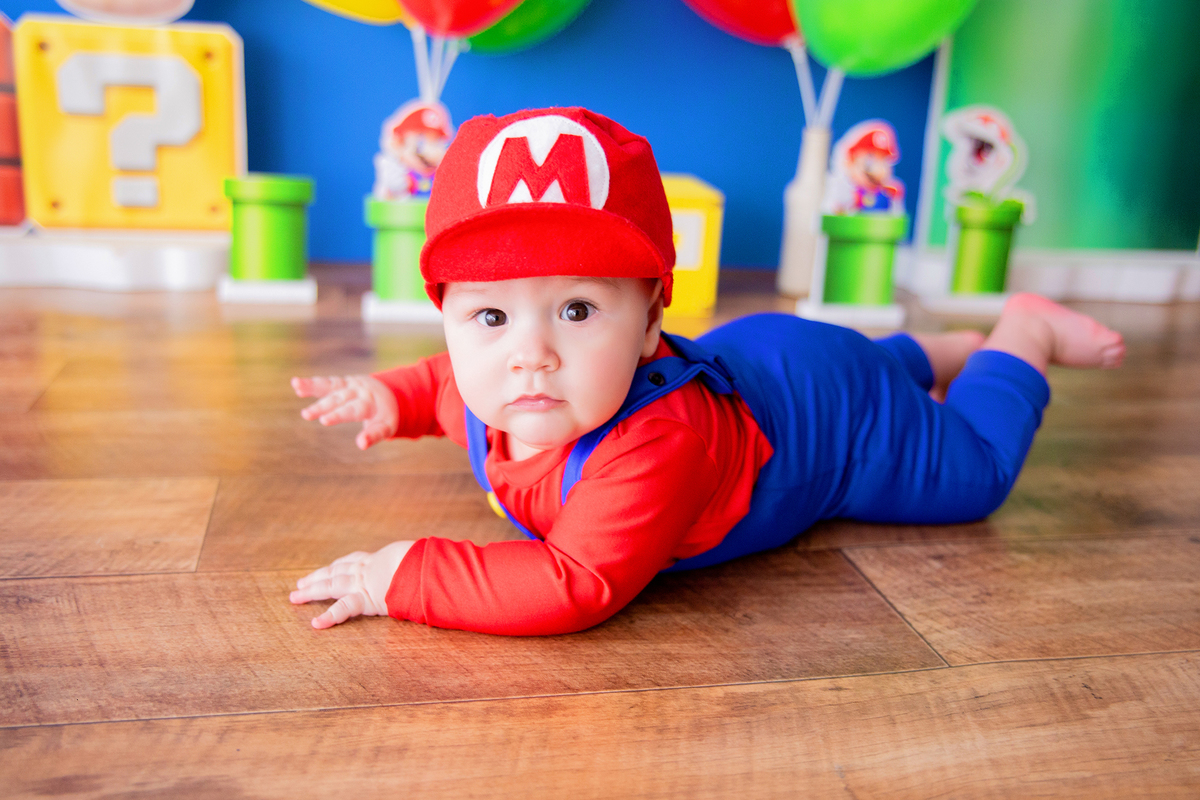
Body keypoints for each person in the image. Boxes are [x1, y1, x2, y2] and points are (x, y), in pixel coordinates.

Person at [289, 107, 1124, 636]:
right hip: (776, 357)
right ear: (449, 315)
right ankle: (944, 352)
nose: (528, 352)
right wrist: (387, 398)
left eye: (577, 311)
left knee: (971, 472)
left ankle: (1021, 335)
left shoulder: (654, 445)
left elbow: (573, 583)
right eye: (490, 317)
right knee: (872, 359)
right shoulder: (499, 384)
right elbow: (440, 382)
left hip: (835, 426)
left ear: (653, 319)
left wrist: (400, 575)